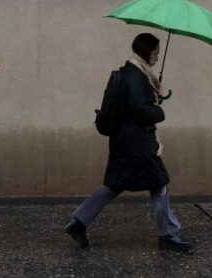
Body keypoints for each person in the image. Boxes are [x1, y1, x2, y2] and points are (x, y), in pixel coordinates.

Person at [64, 33, 192, 253]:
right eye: (156, 52)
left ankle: (79, 222)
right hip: (137, 143)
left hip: (125, 141)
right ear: (147, 51)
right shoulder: (135, 76)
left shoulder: (135, 73)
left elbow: (136, 104)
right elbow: (140, 110)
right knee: (159, 183)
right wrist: (158, 110)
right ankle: (168, 235)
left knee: (114, 184)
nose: (158, 56)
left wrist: (152, 96)